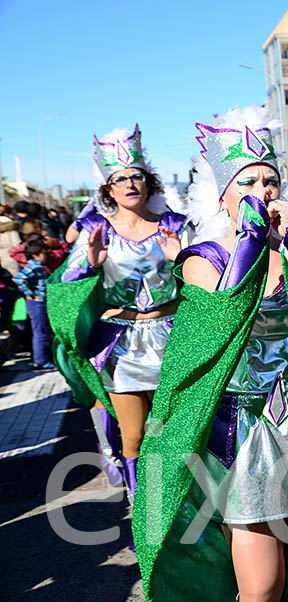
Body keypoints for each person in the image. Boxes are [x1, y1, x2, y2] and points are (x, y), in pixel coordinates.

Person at [132, 106, 288, 602]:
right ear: (223, 195)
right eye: (247, 182)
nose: (263, 191)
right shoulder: (203, 260)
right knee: (263, 587)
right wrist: (250, 239)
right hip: (244, 439)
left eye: (271, 180)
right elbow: (221, 318)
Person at [47, 124, 192, 512]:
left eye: (136, 176)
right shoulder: (96, 232)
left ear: (148, 182)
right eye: (120, 178)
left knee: (172, 433)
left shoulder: (175, 225)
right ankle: (146, 518)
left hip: (170, 337)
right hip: (121, 344)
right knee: (132, 436)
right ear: (107, 188)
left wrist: (181, 259)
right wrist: (90, 268)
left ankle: (179, 517)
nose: (130, 183)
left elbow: (202, 281)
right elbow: (62, 288)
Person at [13, 238, 53, 369]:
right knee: (40, 333)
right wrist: (30, 294)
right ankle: (40, 360)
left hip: (41, 302)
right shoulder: (34, 266)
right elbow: (19, 279)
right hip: (37, 303)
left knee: (44, 331)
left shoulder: (39, 266)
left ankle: (44, 358)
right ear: (36, 254)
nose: (46, 256)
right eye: (44, 254)